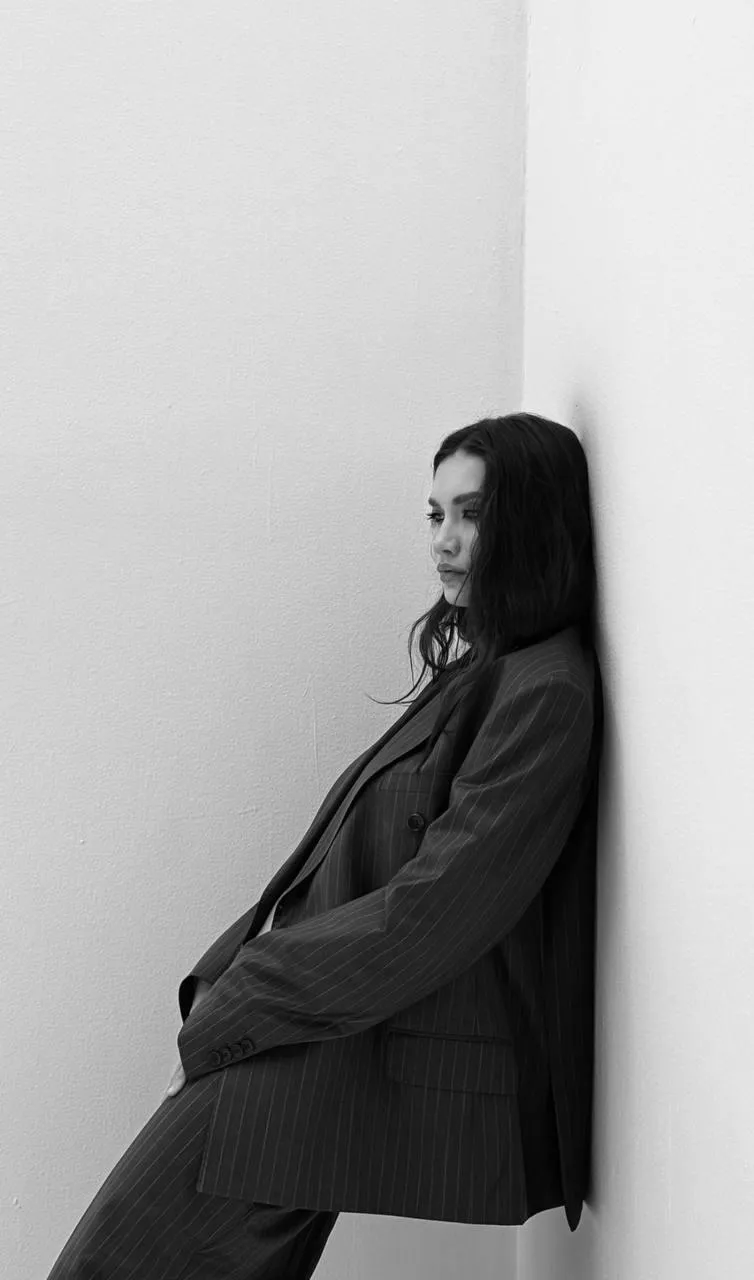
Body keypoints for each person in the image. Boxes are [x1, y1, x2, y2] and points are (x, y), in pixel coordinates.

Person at [47, 412, 604, 1279]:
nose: (445, 541)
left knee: (109, 1263)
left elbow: (431, 915)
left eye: (473, 514)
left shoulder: (546, 693)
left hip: (320, 1044)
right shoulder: (487, 667)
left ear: (532, 521)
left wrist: (239, 1006)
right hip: (305, 1039)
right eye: (434, 515)